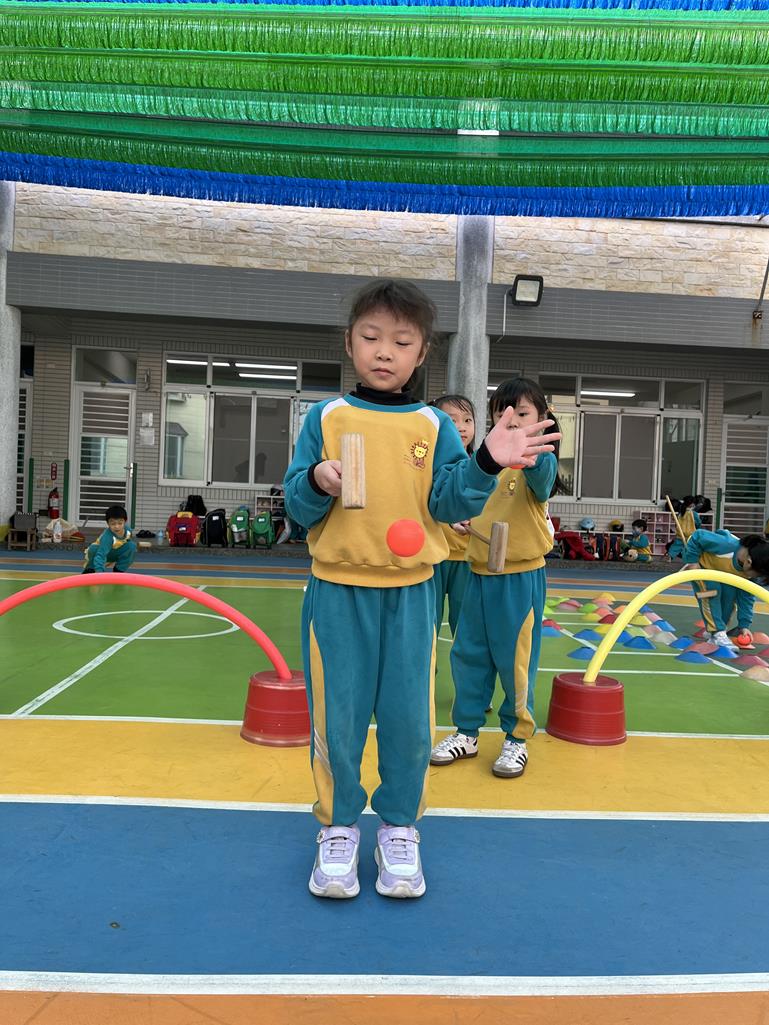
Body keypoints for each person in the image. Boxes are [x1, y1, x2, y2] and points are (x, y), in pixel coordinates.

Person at [283, 280, 560, 900]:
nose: (385, 351)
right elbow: (296, 507)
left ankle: (400, 829)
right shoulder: (325, 417)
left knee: (409, 721)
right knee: (337, 719)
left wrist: (486, 461)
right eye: (371, 337)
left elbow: (449, 501)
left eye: (401, 341)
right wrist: (317, 481)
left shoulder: (433, 425)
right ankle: (338, 828)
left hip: (412, 595)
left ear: (422, 352)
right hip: (336, 592)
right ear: (349, 343)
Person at [430, 377, 564, 781]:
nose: (514, 421)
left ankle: (517, 738)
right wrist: (463, 520)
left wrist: (530, 453)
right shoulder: (485, 462)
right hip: (477, 573)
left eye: (523, 413)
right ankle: (466, 733)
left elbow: (542, 481)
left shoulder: (539, 461)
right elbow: (468, 500)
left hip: (519, 578)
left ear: (542, 416)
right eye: (504, 414)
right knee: (468, 656)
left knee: (515, 662)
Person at [429, 394, 476, 636]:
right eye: (452, 420)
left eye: (467, 420)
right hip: (434, 556)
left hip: (467, 558)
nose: (461, 427)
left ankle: (466, 664)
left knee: (466, 626)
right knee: (428, 622)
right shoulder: (427, 464)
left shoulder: (480, 466)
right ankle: (425, 662)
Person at [682, 529, 769, 649]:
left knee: (730, 596)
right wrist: (692, 561)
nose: (756, 578)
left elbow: (746, 599)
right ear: (748, 562)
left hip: (722, 577)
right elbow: (697, 536)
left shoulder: (750, 574)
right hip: (702, 570)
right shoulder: (726, 544)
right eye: (758, 575)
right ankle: (717, 632)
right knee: (712, 591)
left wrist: (744, 626)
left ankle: (716, 630)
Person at [82, 504, 136, 573]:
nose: (117, 526)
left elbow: (128, 545)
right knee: (94, 549)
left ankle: (119, 570)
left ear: (125, 521)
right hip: (98, 553)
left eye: (120, 523)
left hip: (113, 551)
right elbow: (100, 556)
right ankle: (90, 569)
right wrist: (99, 572)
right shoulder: (107, 537)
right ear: (108, 523)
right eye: (113, 524)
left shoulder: (128, 531)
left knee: (131, 546)